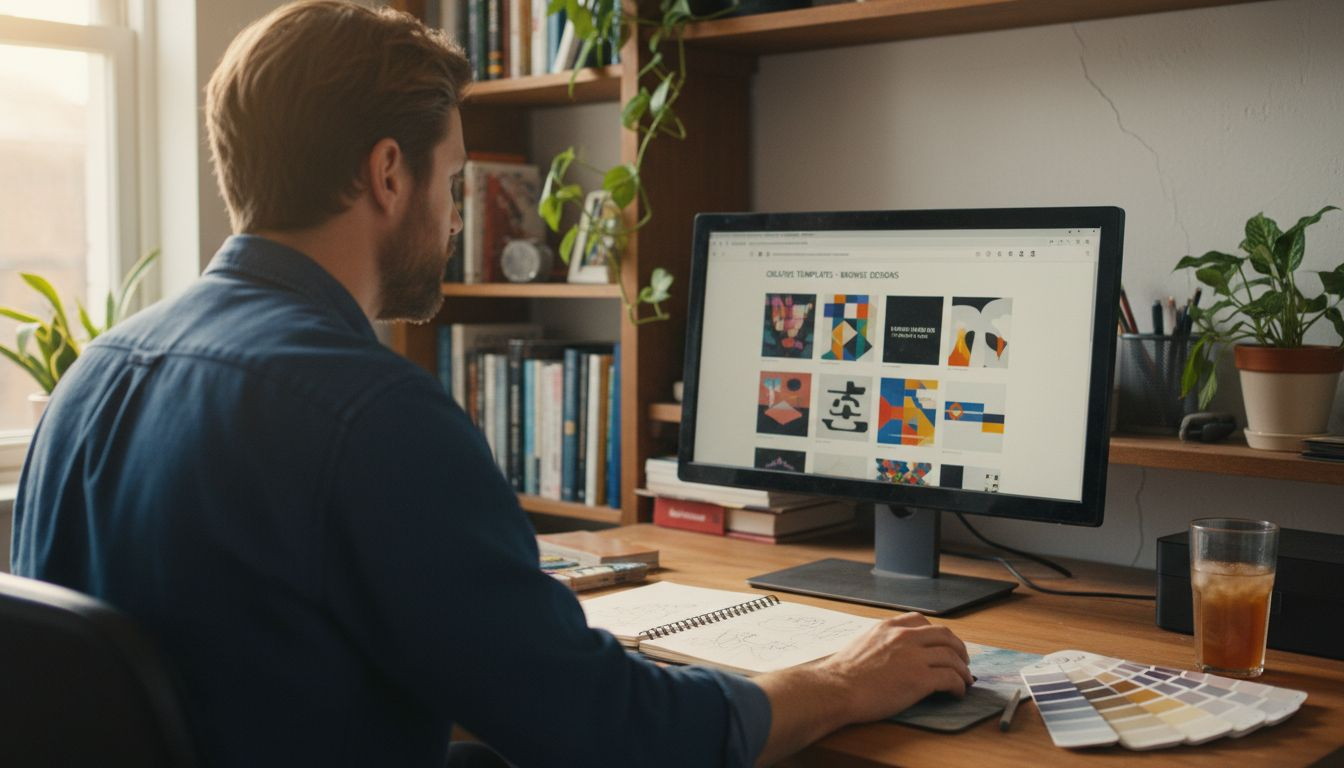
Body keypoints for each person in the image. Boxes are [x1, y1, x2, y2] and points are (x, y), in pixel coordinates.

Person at [10, 2, 972, 766]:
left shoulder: (94, 375)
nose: (456, 218)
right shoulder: (372, 414)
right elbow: (611, 732)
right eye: (454, 180)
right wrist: (840, 683)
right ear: (389, 174)